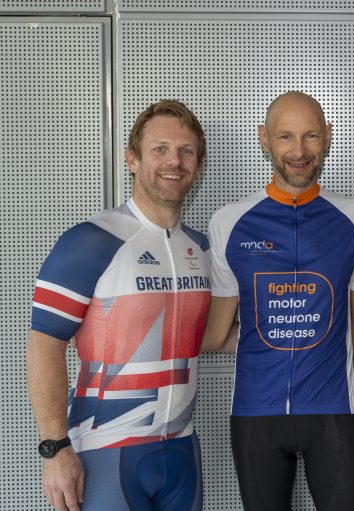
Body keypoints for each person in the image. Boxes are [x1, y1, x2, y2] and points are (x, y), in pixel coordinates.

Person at [202, 91, 354, 511]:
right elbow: (215, 333)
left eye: (310, 137)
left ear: (328, 137)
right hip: (255, 412)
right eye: (285, 137)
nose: (299, 151)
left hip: (336, 412)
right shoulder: (228, 221)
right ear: (263, 139)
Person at [27, 100, 210, 511]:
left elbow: (215, 336)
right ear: (131, 159)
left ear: (199, 166)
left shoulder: (202, 247)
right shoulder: (90, 240)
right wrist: (55, 449)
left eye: (186, 152)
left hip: (182, 450)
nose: (173, 162)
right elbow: (44, 343)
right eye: (159, 149)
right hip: (105, 450)